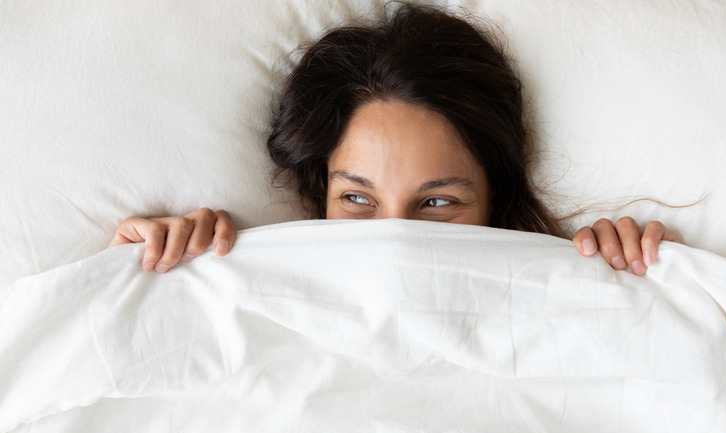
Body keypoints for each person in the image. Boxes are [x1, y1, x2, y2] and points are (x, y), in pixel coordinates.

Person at [109, 3, 678, 276]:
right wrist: (144, 275)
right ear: (321, 194)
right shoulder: (244, 282)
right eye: (357, 198)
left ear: (495, 201)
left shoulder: (566, 289)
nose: (395, 238)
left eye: (437, 203)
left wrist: (629, 278)